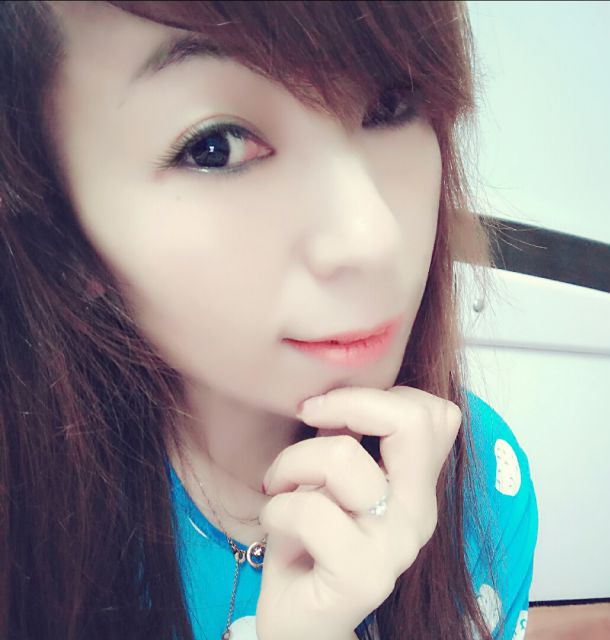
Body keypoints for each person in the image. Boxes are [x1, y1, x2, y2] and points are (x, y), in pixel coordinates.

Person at [0, 1, 538, 639]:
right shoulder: (27, 531)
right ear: (61, 238)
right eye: (216, 147)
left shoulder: (479, 484)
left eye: (391, 104)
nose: (373, 237)